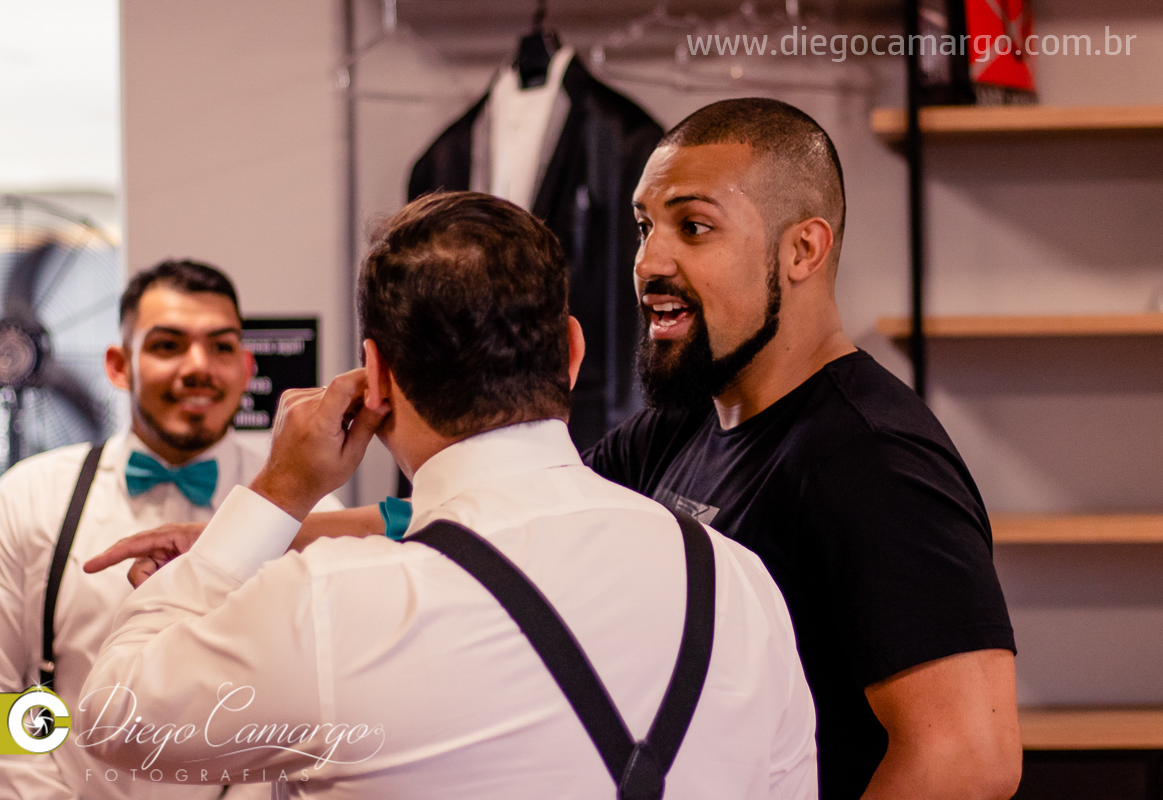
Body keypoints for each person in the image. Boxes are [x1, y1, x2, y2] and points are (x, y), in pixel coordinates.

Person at [77, 192, 818, 798]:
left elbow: (113, 715)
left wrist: (275, 495)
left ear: (375, 376)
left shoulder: (331, 605)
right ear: (571, 351)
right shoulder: (737, 579)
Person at [581, 98, 1022, 800]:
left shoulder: (873, 459)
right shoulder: (680, 427)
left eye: (693, 227)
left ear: (802, 251)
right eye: (645, 227)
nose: (649, 261)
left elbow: (970, 758)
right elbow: (526, 521)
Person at [0, 260, 340, 800]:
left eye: (221, 346)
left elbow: (315, 693)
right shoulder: (30, 498)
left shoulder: (313, 510)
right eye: (168, 345)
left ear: (246, 367)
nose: (198, 367)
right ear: (119, 366)